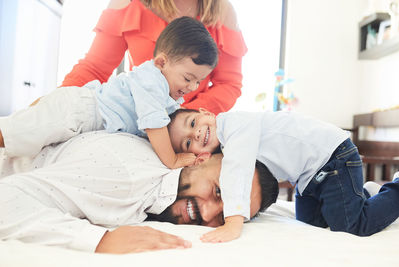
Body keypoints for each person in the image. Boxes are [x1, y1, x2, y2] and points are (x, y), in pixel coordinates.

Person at [0, 131, 279, 254]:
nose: (206, 214)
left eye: (226, 215)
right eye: (218, 192)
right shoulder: (125, 175)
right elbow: (6, 199)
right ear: (202, 158)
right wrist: (102, 240)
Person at [0, 16, 218, 169]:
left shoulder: (170, 100)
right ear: (162, 62)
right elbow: (154, 124)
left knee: (27, 149)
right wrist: (173, 160)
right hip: (80, 110)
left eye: (198, 82)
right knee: (20, 132)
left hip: (86, 120)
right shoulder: (153, 80)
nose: (191, 88)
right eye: (188, 78)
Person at [166, 108, 399, 242]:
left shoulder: (235, 125)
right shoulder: (224, 149)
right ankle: (363, 194)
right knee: (311, 223)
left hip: (332, 157)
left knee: (350, 225)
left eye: (193, 121)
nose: (195, 133)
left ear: (207, 112)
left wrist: (233, 221)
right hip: (308, 177)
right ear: (198, 157)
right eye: (188, 142)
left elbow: (238, 170)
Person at [61, 0, 247, 115]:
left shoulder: (223, 11)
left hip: (190, 126)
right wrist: (58, 99)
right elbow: (94, 69)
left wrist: (182, 116)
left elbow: (228, 85)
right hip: (137, 115)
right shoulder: (128, 3)